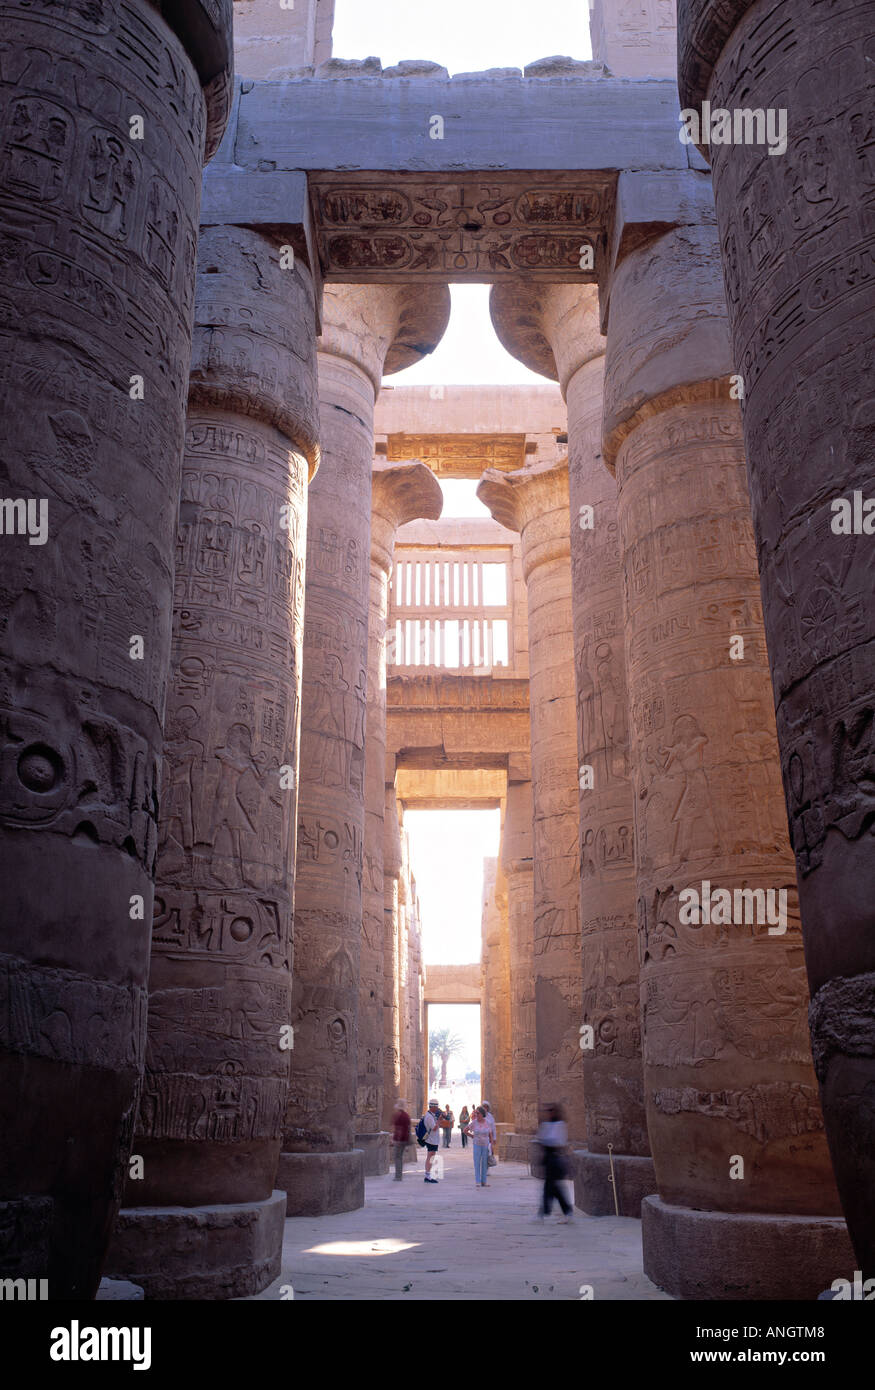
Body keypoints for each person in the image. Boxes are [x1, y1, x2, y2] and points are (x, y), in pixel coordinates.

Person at [536, 1102, 573, 1221]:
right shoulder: (547, 1124)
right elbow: (542, 1138)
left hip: (555, 1158)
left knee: (550, 1187)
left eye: (552, 1110)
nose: (550, 1113)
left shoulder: (560, 1124)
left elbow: (557, 1141)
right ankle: (565, 1211)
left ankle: (544, 1212)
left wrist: (545, 1140)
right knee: (553, 1187)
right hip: (548, 1158)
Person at [422, 1099, 450, 1182]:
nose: (437, 1108)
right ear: (433, 1107)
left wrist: (440, 1119)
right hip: (431, 1140)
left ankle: (428, 1174)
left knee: (431, 1156)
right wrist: (439, 1120)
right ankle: (427, 1175)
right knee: (430, 1156)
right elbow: (434, 1128)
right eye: (436, 1107)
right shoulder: (429, 1116)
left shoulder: (432, 1115)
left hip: (433, 1139)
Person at [464, 1106, 492, 1187]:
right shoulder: (474, 1122)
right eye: (476, 1113)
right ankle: (478, 1181)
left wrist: (491, 1144)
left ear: (482, 1114)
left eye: (478, 1113)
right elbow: (465, 1130)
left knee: (484, 1163)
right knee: (477, 1163)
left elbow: (490, 1133)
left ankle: (484, 1181)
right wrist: (472, 1136)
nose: (476, 1114)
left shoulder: (488, 1122)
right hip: (477, 1145)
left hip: (485, 1145)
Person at [391, 1098, 410, 1182]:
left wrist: (395, 1139)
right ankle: (399, 1175)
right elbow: (408, 1128)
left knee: (397, 1158)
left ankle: (398, 1176)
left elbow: (396, 1128)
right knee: (400, 1157)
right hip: (404, 1139)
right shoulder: (406, 1115)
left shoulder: (398, 1115)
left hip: (399, 1139)